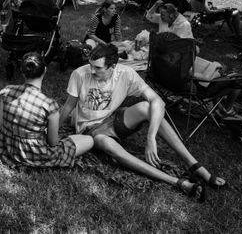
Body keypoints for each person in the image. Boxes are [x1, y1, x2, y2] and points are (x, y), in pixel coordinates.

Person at [59, 43, 224, 201]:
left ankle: (193, 164)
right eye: (90, 65)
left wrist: (150, 138)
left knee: (147, 107)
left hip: (113, 119)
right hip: (90, 130)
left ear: (113, 66)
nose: (92, 71)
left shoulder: (126, 74)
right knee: (105, 143)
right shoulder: (79, 74)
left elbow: (158, 101)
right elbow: (68, 107)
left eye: (98, 68)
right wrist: (52, 132)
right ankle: (177, 182)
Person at [0, 52, 94, 168]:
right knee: (89, 140)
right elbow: (53, 142)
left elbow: (1, 124)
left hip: (5, 145)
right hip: (34, 155)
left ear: (22, 71)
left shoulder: (7, 91)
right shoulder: (49, 105)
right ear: (45, 70)